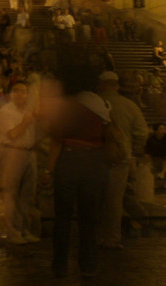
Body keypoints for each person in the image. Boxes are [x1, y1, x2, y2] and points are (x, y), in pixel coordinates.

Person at [45, 71, 109, 278]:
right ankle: (88, 264)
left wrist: (49, 170)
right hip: (94, 162)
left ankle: (60, 264)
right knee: (89, 218)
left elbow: (56, 140)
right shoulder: (101, 106)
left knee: (63, 217)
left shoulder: (67, 107)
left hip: (69, 161)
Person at [98, 71, 148, 249]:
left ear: (100, 85)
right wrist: (134, 151)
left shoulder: (93, 105)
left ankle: (97, 235)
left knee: (98, 198)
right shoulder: (129, 106)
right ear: (117, 86)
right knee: (116, 199)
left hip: (96, 158)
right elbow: (142, 133)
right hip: (121, 158)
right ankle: (113, 237)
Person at [0, 81, 38, 244]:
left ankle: (24, 229)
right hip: (12, 152)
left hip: (28, 153)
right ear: (11, 94)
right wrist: (26, 121)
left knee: (26, 195)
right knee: (12, 194)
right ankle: (12, 231)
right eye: (17, 91)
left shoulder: (28, 111)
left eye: (24, 91)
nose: (21, 94)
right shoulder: (6, 111)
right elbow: (13, 134)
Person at [144, 123, 166, 190]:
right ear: (155, 131)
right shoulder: (151, 139)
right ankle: (163, 176)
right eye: (161, 129)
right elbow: (147, 152)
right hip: (155, 157)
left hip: (164, 157)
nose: (163, 130)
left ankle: (163, 175)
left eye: (164, 129)